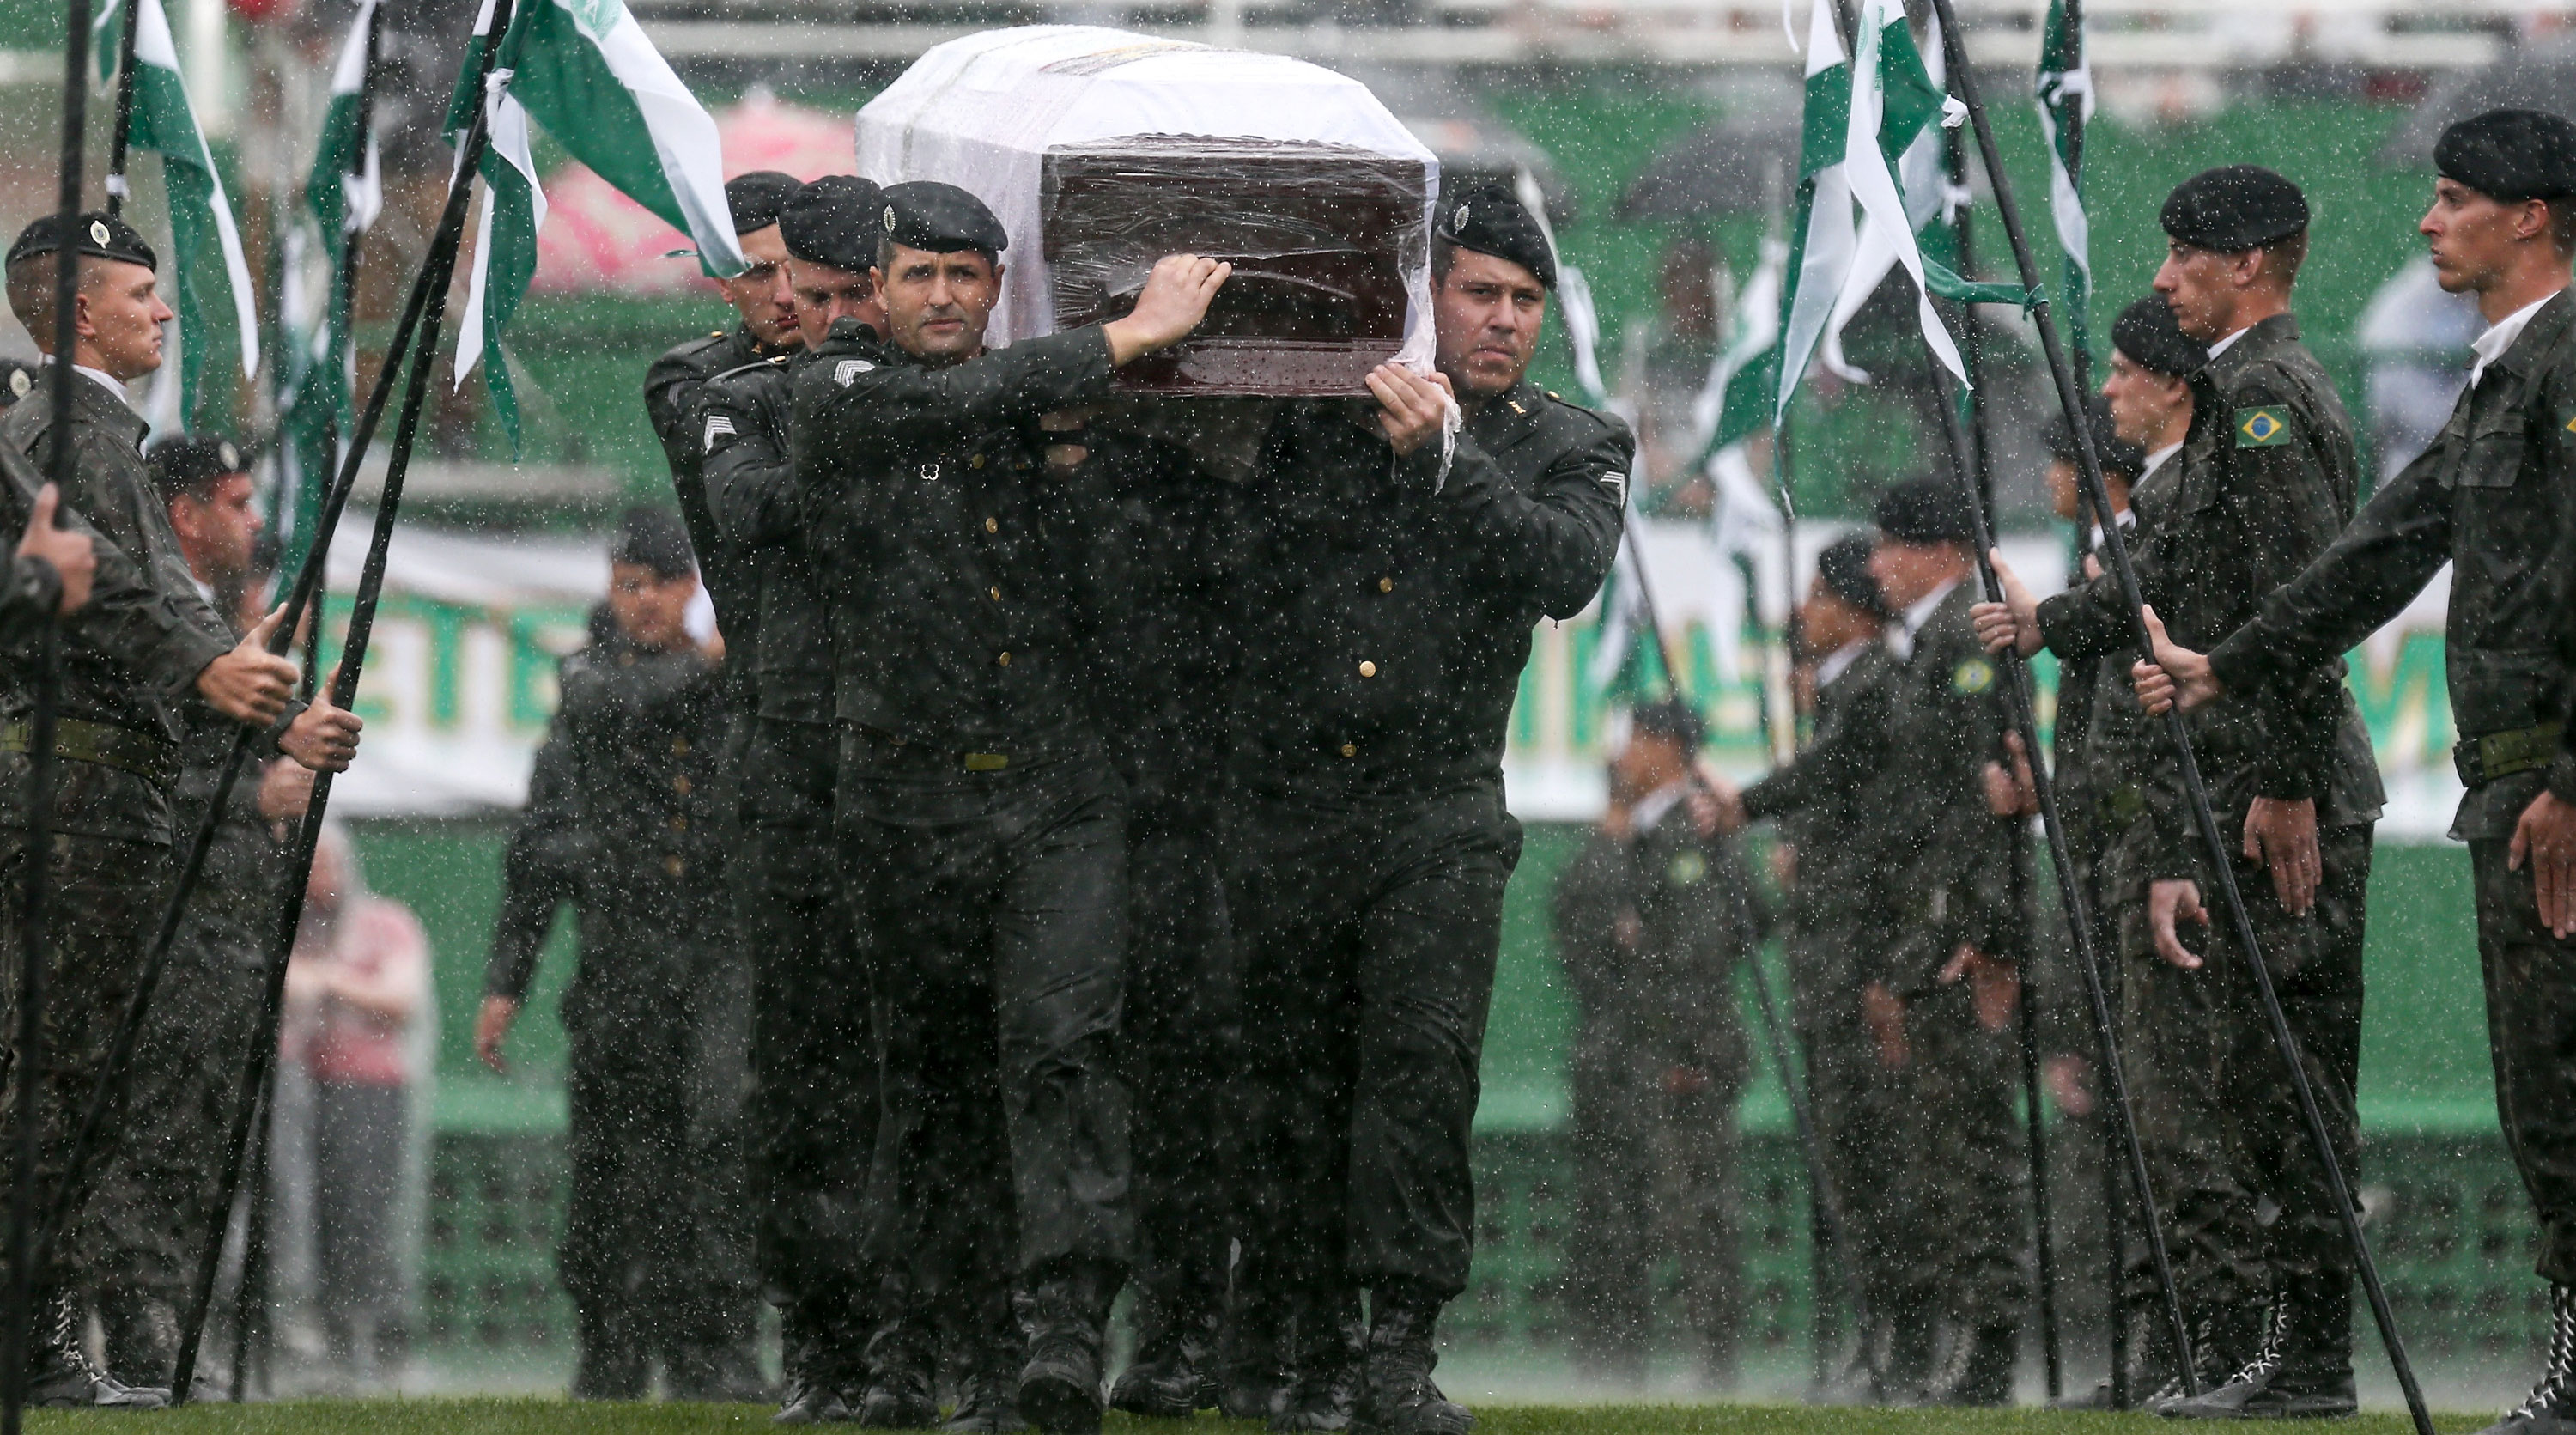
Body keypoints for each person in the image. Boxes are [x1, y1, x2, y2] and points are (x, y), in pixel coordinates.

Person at [2129, 112, 2576, 1435]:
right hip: (2503, 782)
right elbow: (2389, 544)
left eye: (2452, 199)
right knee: (2539, 1084)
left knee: (2555, 1085)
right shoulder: (2507, 374)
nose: (2428, 221)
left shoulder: (2560, 365)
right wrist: (2234, 664)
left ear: (2533, 215)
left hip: (2547, 784)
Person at [793, 179, 1228, 1435]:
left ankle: (1061, 1333)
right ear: (877, 289)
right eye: (917, 275)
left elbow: (1148, 568)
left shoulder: (1050, 412)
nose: (939, 298)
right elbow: (957, 400)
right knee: (930, 1076)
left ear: (997, 288)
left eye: (966, 276)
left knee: (1063, 1054)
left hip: (1053, 790)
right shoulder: (834, 392)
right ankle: (953, 1339)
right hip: (901, 793)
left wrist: (1103, 436)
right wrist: (1126, 335)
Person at [1978, 165, 2383, 1419]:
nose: (2162, 279)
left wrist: (2290, 785)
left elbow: (2300, 604)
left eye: (2182, 255)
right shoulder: (2230, 403)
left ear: (2251, 261)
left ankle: (2301, 1357)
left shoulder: (2262, 397)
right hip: (2262, 785)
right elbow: (2184, 576)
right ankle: (2282, 1354)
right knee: (2266, 1094)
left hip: (2279, 797)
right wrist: (2057, 618)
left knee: (2287, 1093)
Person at [1223, 184, 1623, 1435]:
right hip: (1291, 800)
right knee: (1290, 1076)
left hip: (1439, 805)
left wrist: (1446, 456)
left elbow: (1563, 573)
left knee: (1420, 1067)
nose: (1503, 321)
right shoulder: (1316, 414)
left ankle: (1397, 1341)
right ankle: (1290, 1333)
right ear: (1424, 296)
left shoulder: (1576, 439)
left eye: (1525, 301)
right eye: (1478, 292)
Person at [0, 210, 358, 1408]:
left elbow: (144, 603)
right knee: (62, 1074)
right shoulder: (66, 433)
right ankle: (32, 1332)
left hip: (96, 783)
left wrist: (249, 693)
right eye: (139, 293)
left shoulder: (87, 433)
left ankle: (42, 1331)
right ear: (76, 311)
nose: (162, 311)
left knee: (68, 1071)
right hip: (78, 791)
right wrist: (217, 675)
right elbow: (105, 593)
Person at [475, 508, 760, 1402]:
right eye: (625, 585)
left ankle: (712, 1343)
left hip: (717, 954)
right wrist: (505, 981)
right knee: (615, 1164)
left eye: (656, 584)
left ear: (690, 589)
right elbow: (540, 847)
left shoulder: (741, 680)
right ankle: (612, 1344)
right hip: (624, 964)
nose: (637, 603)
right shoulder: (593, 680)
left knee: (715, 1143)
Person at [699, 173, 889, 1425]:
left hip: (926, 775)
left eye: (844, 294)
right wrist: (866, 419)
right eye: (806, 294)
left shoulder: (955, 397)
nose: (823, 316)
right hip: (800, 776)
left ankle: (931, 1335)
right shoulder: (735, 402)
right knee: (808, 1075)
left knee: (927, 1071)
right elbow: (752, 513)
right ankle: (824, 1338)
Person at [78, 435, 308, 1389]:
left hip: (226, 940)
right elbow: (131, 773)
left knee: (203, 1140)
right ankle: (143, 1336)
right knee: (146, 1137)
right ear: (186, 513)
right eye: (238, 501)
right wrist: (253, 797)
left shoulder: (221, 627)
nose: (254, 523)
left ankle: (172, 1335)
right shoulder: (166, 631)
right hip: (162, 929)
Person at [1732, 533, 1901, 1399]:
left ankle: (1900, 1347)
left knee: (1876, 1162)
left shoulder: (1876, 689)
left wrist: (1751, 802)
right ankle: (1879, 1347)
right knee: (1852, 1163)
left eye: (1819, 597)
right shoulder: (1847, 695)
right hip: (1835, 965)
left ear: (1853, 606)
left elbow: (1847, 784)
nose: (1806, 613)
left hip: (1861, 966)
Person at [1551, 698, 1760, 1391]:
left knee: (1698, 1222)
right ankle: (1612, 1369)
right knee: (1613, 1225)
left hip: (1682, 1061)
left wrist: (1687, 1051)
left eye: (1636, 740)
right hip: (1617, 1062)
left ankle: (1715, 1369)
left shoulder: (1698, 827)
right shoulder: (1625, 830)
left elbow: (1704, 948)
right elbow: (1576, 932)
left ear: (1668, 747)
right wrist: (1612, 841)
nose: (1622, 755)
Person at [278, 823, 428, 1387]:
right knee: (301, 1218)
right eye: (312, 866)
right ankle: (312, 1340)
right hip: (302, 1090)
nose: (323, 879)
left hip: (368, 1090)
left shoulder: (384, 923)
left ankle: (374, 1344)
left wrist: (330, 981)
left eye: (330, 865)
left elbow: (401, 999)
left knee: (361, 1215)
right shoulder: (291, 924)